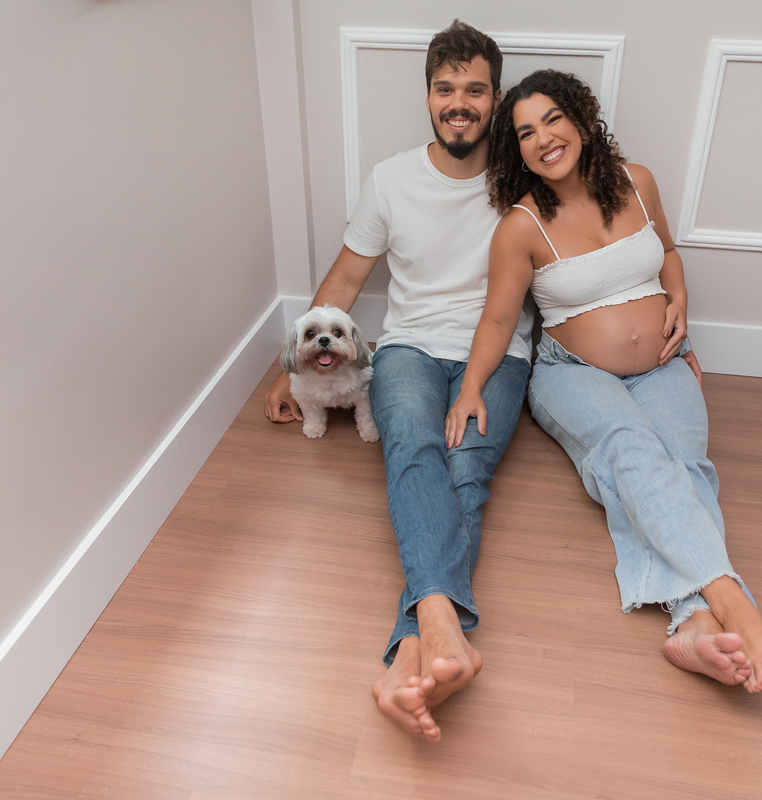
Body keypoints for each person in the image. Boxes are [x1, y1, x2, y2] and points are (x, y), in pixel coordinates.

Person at [445, 70, 762, 693]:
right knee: (631, 450)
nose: (543, 138)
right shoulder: (521, 226)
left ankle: (691, 624)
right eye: (525, 132)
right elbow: (498, 319)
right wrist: (471, 386)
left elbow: (669, 253)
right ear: (516, 151)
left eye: (553, 119)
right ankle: (735, 603)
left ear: (581, 119)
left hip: (662, 361)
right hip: (571, 373)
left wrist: (680, 301)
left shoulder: (639, 182)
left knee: (685, 466)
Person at [264, 21, 535, 739]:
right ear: (428, 98)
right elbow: (346, 278)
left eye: (475, 90)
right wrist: (287, 370)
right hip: (409, 347)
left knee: (466, 466)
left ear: (496, 98)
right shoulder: (390, 179)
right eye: (446, 89)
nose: (459, 103)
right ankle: (442, 630)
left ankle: (413, 643)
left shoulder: (521, 180)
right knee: (413, 446)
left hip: (498, 355)